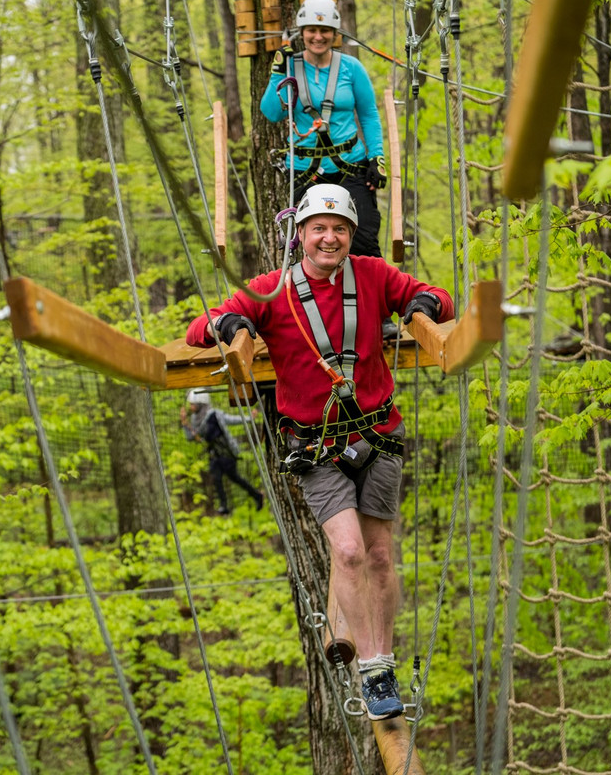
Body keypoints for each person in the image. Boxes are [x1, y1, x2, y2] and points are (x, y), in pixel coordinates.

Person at [184, 184, 453, 723]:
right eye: (318, 229)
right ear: (300, 235)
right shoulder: (270, 290)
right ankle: (371, 671)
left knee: (378, 554)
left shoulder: (374, 276)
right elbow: (200, 328)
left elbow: (439, 297)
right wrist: (232, 325)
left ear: (351, 237)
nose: (329, 238)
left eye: (339, 230)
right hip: (316, 448)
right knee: (349, 552)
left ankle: (384, 660)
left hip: (377, 436)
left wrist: (421, 306)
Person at [260, 0, 387, 262]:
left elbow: (368, 114)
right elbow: (271, 113)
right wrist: (276, 74)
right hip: (305, 171)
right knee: (308, 247)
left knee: (363, 239)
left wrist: (377, 156)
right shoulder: (289, 67)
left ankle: (370, 301)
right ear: (302, 32)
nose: (318, 37)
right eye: (312, 30)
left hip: (350, 166)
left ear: (334, 33)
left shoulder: (351, 68)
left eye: (325, 30)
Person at [180, 389, 264, 515]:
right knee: (216, 478)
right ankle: (223, 506)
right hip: (214, 454)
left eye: (193, 404)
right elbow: (191, 437)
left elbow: (232, 419)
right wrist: (184, 424)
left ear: (201, 404)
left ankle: (257, 495)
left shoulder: (214, 414)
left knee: (235, 478)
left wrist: (249, 418)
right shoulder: (194, 419)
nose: (191, 407)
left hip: (226, 453)